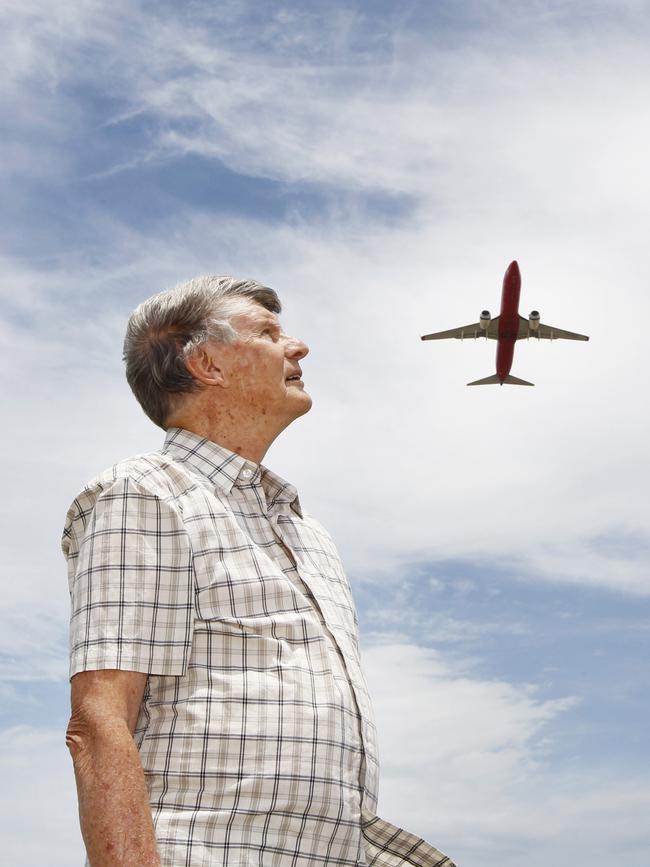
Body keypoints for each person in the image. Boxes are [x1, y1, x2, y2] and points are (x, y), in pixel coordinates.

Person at [62, 275, 456, 867]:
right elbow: (99, 721)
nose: (298, 347)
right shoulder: (145, 494)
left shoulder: (309, 534)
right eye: (269, 333)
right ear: (207, 365)